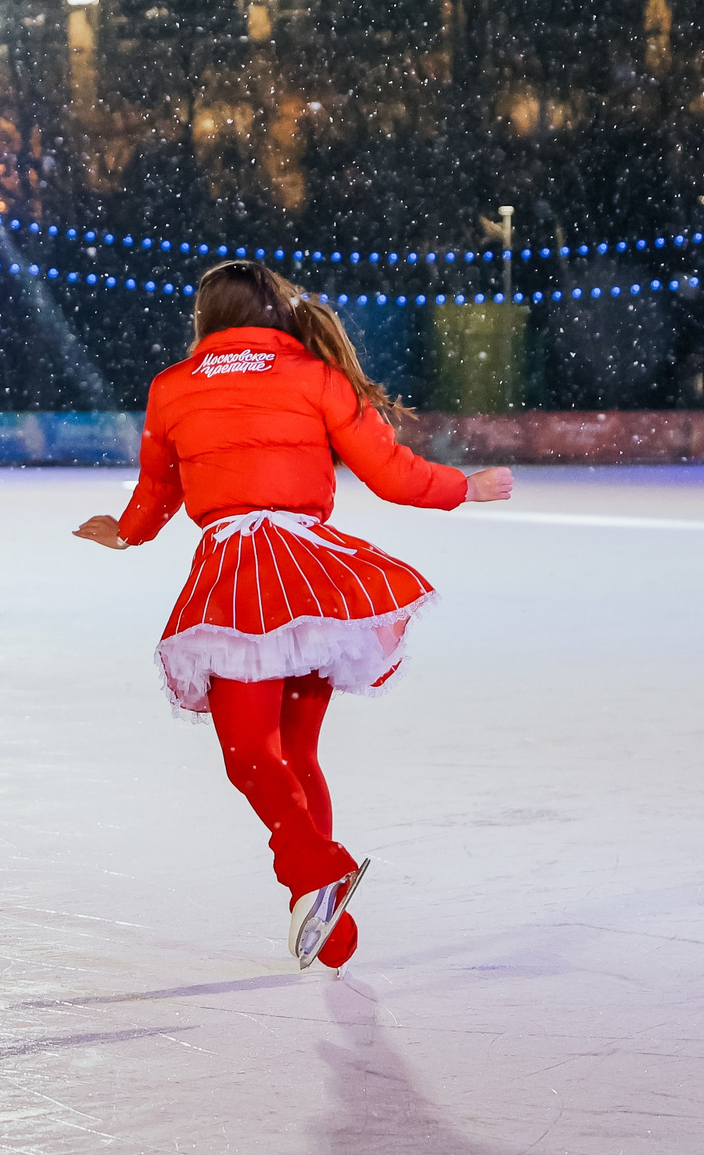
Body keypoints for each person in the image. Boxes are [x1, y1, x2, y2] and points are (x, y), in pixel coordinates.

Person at [75, 259, 514, 971]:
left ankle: (318, 871)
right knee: (292, 753)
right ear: (275, 313)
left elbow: (159, 489)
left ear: (205, 317)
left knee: (251, 755)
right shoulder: (315, 374)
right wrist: (462, 487)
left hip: (243, 579)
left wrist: (126, 532)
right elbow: (392, 473)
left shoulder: (175, 387)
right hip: (316, 583)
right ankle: (330, 924)